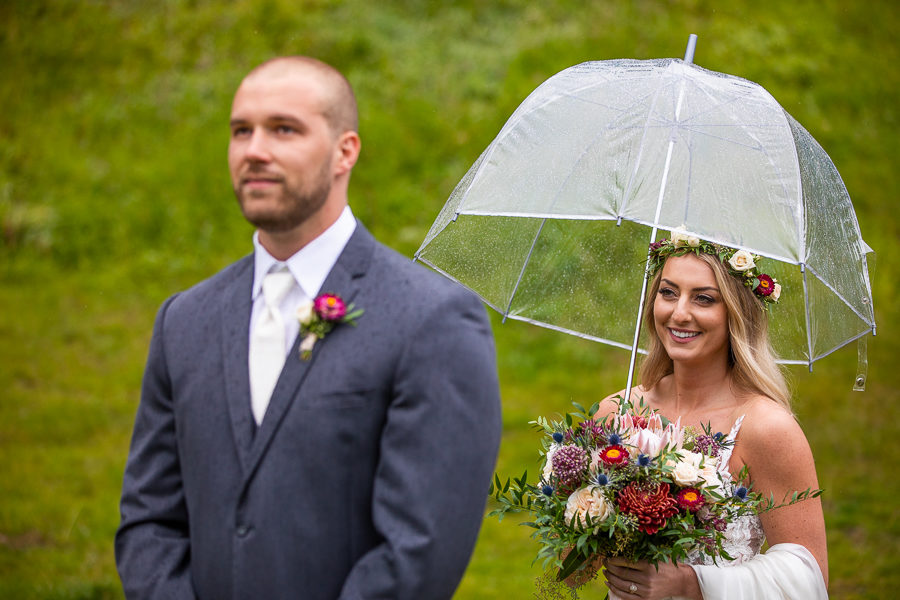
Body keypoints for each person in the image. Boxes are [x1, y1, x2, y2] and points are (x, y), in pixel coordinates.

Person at [115, 56, 502, 599]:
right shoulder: (184, 320)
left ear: (346, 150)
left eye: (283, 129)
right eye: (240, 131)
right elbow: (149, 518)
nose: (254, 150)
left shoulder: (431, 321)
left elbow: (420, 547)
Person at [596, 235, 828, 599]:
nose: (679, 313)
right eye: (668, 293)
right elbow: (573, 568)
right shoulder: (617, 412)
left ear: (737, 313)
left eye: (703, 298)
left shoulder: (766, 427)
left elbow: (807, 575)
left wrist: (695, 584)